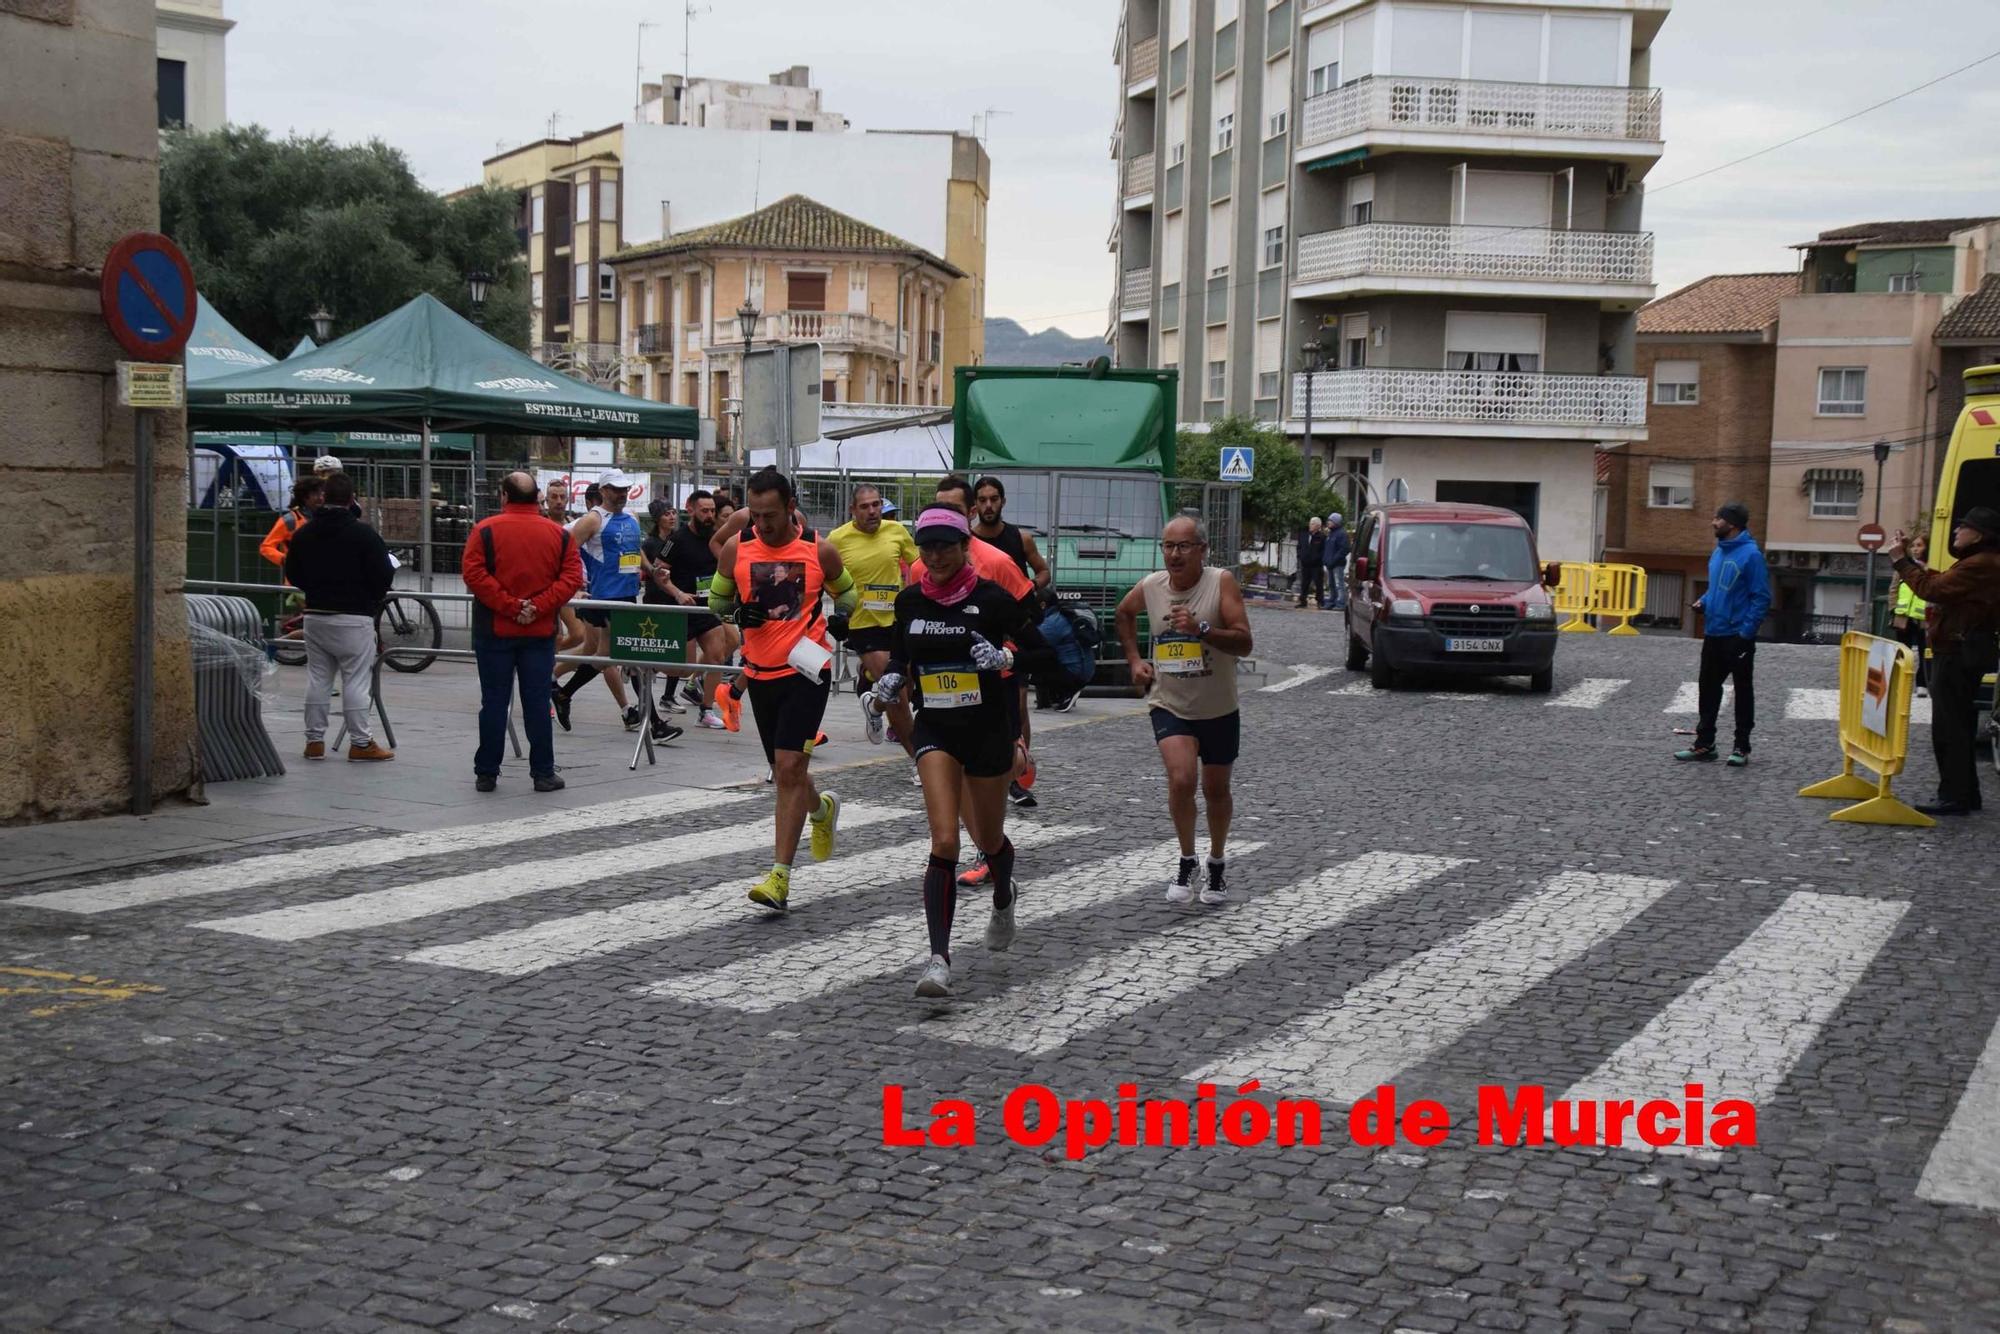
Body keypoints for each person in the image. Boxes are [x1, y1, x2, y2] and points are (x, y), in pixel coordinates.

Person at [869, 506, 1056, 998]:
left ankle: (1003, 894)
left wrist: (1006, 658)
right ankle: (938, 960)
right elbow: (901, 655)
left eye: (945, 547)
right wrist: (891, 676)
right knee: (945, 842)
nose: (935, 557)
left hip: (988, 731)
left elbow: (1044, 652)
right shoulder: (910, 602)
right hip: (936, 730)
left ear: (964, 547)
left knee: (989, 838)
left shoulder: (992, 599)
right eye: (927, 548)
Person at [708, 467, 859, 909]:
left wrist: (841, 619)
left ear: (791, 507)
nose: (762, 523)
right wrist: (738, 612)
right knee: (786, 770)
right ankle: (822, 809)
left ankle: (779, 877)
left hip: (808, 669)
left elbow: (848, 595)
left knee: (790, 768)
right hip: (759, 672)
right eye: (754, 514)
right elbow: (716, 603)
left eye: (770, 514)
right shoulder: (736, 549)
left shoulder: (820, 550)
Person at [1115, 515, 1253, 903]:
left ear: (1202, 551)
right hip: (1169, 702)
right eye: (1168, 546)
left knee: (1216, 789)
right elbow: (1123, 614)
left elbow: (1244, 643)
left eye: (1183, 547)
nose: (1174, 555)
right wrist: (1134, 660)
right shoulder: (1153, 586)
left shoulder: (1220, 582)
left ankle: (1217, 862)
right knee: (1180, 779)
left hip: (1219, 706)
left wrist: (1202, 630)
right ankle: (1187, 857)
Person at [461, 472, 585, 793]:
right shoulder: (558, 535)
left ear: (504, 496)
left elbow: (473, 574)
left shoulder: (484, 530)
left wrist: (510, 606)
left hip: (493, 631)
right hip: (540, 631)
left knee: (494, 702)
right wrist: (538, 606)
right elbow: (572, 578)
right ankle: (543, 772)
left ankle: (487, 772)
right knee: (537, 702)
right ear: (537, 498)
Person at [1888, 508, 2000, 817]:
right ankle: (1967, 793)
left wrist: (1900, 561)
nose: (1956, 532)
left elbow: (1932, 589)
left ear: (1979, 534)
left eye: (1963, 527)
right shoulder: (1980, 562)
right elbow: (1942, 580)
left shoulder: (1980, 564)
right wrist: (1911, 561)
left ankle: (1954, 796)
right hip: (1962, 648)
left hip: (1956, 650)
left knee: (1949, 727)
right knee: (1959, 724)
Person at [282, 472, 394, 762]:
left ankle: (314, 741)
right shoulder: (365, 534)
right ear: (351, 498)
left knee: (318, 678)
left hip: (316, 614)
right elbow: (383, 575)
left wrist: (313, 589)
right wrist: (369, 596)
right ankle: (360, 742)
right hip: (354, 616)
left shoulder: (305, 533)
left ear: (324, 497)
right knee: (356, 680)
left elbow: (292, 571)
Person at [552, 471, 652, 735]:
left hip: (628, 593)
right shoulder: (592, 519)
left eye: (625, 489)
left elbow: (634, 550)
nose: (622, 493)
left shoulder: (631, 516)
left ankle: (562, 692)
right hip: (604, 597)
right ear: (604, 490)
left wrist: (652, 570)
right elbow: (566, 553)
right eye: (616, 489)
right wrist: (575, 586)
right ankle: (652, 722)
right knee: (626, 654)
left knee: (603, 655)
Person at [827, 484, 919, 760]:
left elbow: (918, 565)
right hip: (862, 624)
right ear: (852, 510)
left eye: (876, 504)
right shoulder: (837, 539)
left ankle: (875, 706)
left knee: (907, 683)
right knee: (898, 693)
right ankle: (919, 760)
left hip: (897, 621)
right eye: (865, 506)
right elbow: (824, 576)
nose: (872, 511)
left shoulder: (896, 532)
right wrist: (840, 606)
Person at [1676, 501, 1771, 767]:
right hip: (1713, 633)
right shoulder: (1718, 552)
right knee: (1707, 690)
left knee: (1742, 691)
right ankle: (1705, 744)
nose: (1713, 522)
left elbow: (1761, 598)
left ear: (1733, 524)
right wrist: (1704, 602)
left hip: (1737, 636)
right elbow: (1718, 588)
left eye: (1719, 518)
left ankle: (1742, 746)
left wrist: (1746, 633)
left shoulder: (1751, 555)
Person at [661, 490, 733, 730]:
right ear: (690, 510)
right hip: (682, 610)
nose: (709, 515)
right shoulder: (677, 539)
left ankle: (706, 710)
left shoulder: (715, 538)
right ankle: (642, 667)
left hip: (706, 608)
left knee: (716, 657)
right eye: (704, 511)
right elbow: (659, 572)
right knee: (684, 668)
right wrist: (678, 593)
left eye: (712, 511)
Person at [1893, 533, 1931, 698]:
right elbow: (1894, 588)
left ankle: (1922, 683)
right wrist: (1892, 608)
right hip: (1903, 615)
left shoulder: (1930, 567)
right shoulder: (1904, 567)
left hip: (1923, 616)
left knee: (1925, 651)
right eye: (1913, 546)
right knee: (1902, 651)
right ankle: (1901, 682)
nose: (1916, 549)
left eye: (1919, 545)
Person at [259, 476, 323, 569]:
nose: (321, 498)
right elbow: (266, 547)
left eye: (322, 494)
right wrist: (286, 560)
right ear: (305, 497)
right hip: (297, 579)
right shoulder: (290, 520)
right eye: (316, 494)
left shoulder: (327, 517)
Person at [1322, 511, 1350, 611]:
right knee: (1331, 584)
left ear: (1336, 522)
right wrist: (1326, 560)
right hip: (1330, 563)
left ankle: (1340, 603)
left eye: (1330, 521)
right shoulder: (1331, 533)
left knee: (1339, 584)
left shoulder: (1341, 534)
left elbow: (1345, 549)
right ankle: (1332, 601)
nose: (1328, 522)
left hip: (1337, 564)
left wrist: (1333, 560)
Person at [1296, 517, 1326, 609]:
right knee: (1304, 583)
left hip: (1316, 564)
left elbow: (1323, 550)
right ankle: (1303, 600)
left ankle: (1320, 601)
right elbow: (1299, 547)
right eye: (1310, 523)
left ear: (1318, 526)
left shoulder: (1322, 537)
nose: (1310, 525)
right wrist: (1300, 556)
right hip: (1305, 563)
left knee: (1318, 583)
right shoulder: (1304, 535)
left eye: (1312, 524)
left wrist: (1317, 558)